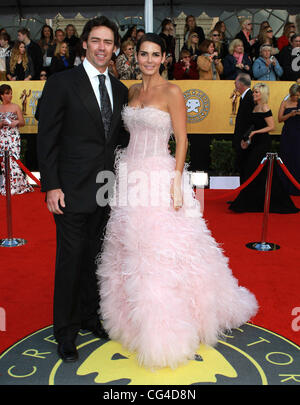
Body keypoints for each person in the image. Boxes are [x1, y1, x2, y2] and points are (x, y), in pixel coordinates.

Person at [96, 32, 258, 369]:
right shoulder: (133, 91)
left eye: (156, 54)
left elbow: (182, 139)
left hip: (159, 175)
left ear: (164, 58)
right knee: (129, 248)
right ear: (134, 56)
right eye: (144, 54)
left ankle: (168, 329)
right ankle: (131, 320)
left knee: (160, 249)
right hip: (129, 175)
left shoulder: (172, 91)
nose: (150, 60)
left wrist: (175, 182)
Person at [37, 16, 129, 363]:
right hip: (70, 191)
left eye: (108, 42)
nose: (102, 47)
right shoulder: (63, 83)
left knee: (95, 260)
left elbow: (117, 141)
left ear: (114, 48)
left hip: (106, 190)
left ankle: (91, 318)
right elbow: (47, 138)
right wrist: (52, 186)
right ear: (85, 44)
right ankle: (65, 330)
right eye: (96, 41)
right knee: (70, 261)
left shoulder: (119, 90)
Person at [229, 83, 299, 213]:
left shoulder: (265, 107)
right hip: (254, 143)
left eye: (257, 92)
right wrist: (247, 139)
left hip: (262, 143)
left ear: (263, 94)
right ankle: (254, 202)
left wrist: (255, 133)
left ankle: (251, 203)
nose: (254, 94)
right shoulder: (255, 106)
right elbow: (253, 126)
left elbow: (271, 126)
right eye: (254, 92)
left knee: (253, 170)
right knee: (257, 173)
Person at [0, 84, 33, 195]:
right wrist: (1, 123)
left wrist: (16, 122)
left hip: (13, 137)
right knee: (4, 161)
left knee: (14, 160)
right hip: (2, 137)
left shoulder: (16, 107)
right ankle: (7, 186)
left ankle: (18, 185)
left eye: (11, 93)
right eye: (7, 93)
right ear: (1, 95)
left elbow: (22, 122)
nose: (10, 95)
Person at [232, 73, 255, 183]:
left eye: (235, 82)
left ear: (240, 84)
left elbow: (253, 121)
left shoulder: (250, 97)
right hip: (242, 140)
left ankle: (245, 197)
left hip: (245, 142)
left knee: (246, 169)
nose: (234, 84)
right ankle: (242, 197)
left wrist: (246, 139)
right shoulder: (245, 97)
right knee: (242, 169)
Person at [278, 83, 300, 195]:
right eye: (292, 95)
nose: (293, 97)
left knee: (297, 158)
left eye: (295, 95)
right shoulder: (285, 103)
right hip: (287, 133)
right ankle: (284, 186)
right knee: (286, 158)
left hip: (298, 133)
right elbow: (280, 119)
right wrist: (290, 115)